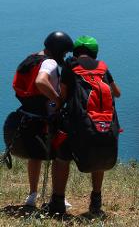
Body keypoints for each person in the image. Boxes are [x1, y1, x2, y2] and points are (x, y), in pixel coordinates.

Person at [47, 36, 121, 216]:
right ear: (95, 53)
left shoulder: (70, 67)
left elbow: (63, 96)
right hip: (103, 124)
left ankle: (58, 204)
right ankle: (95, 203)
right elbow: (117, 93)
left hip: (76, 124)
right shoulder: (103, 67)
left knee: (61, 159)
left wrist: (54, 105)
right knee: (99, 157)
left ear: (75, 52)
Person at [7, 31, 73, 209]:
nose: (65, 56)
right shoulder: (49, 62)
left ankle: (32, 195)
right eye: (64, 52)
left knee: (35, 156)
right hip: (47, 116)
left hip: (29, 114)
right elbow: (41, 81)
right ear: (58, 50)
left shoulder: (30, 59)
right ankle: (57, 197)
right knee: (57, 156)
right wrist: (57, 99)